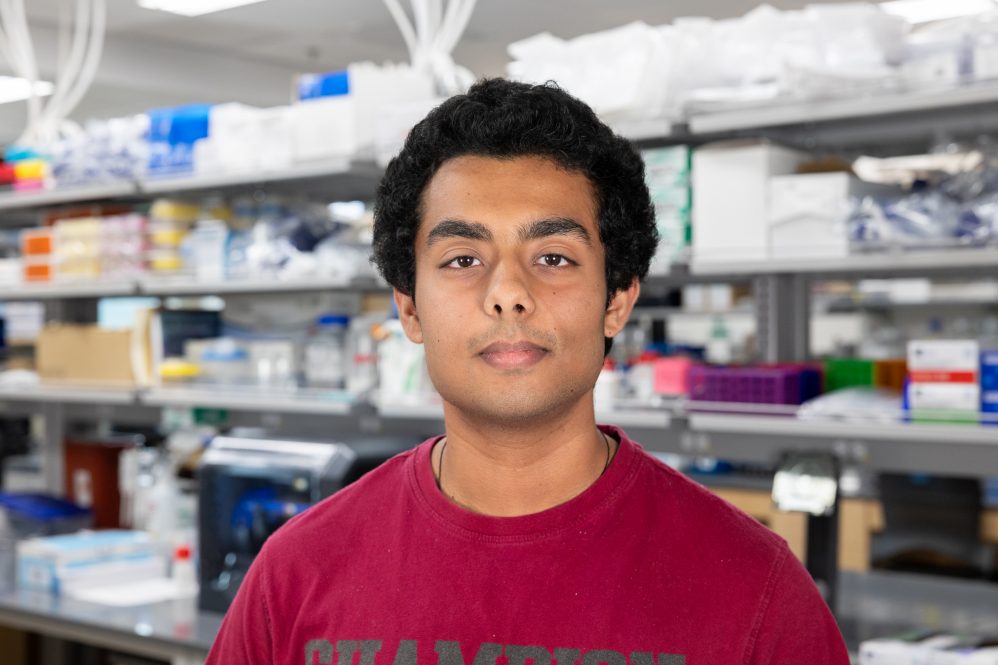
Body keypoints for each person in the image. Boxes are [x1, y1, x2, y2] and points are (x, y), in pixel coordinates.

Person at [206, 78, 850, 665]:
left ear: (617, 299)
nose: (507, 292)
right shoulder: (296, 572)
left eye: (553, 256)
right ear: (409, 308)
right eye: (462, 259)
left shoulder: (754, 589)